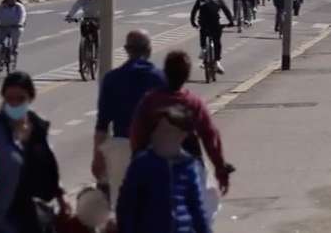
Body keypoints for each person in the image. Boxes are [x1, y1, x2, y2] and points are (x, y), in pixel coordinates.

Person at [130, 50, 233, 197]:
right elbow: (210, 136)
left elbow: (137, 135)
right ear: (187, 75)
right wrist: (220, 168)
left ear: (165, 72)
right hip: (189, 168)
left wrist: (137, 163)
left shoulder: (150, 101)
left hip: (155, 167)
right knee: (200, 206)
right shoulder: (193, 103)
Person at [0, 72, 69, 233]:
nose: (14, 104)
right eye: (9, 99)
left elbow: (49, 165)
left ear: (30, 98)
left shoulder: (38, 127)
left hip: (34, 214)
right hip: (2, 216)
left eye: (20, 99)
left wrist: (62, 197)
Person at [92, 30, 166, 207]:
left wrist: (98, 157)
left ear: (126, 49)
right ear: (149, 49)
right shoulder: (160, 78)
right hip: (153, 150)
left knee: (122, 207)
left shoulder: (112, 79)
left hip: (121, 150)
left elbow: (102, 125)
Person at [116, 105, 210, 233]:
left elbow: (196, 207)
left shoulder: (189, 165)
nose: (163, 136)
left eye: (169, 131)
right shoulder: (142, 164)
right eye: (159, 131)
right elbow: (127, 205)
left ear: (182, 135)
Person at [190, 0, 234, 73]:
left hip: (204, 23)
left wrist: (193, 23)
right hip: (215, 24)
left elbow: (193, 12)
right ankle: (217, 62)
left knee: (203, 33)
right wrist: (231, 22)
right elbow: (226, 11)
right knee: (217, 42)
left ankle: (203, 50)